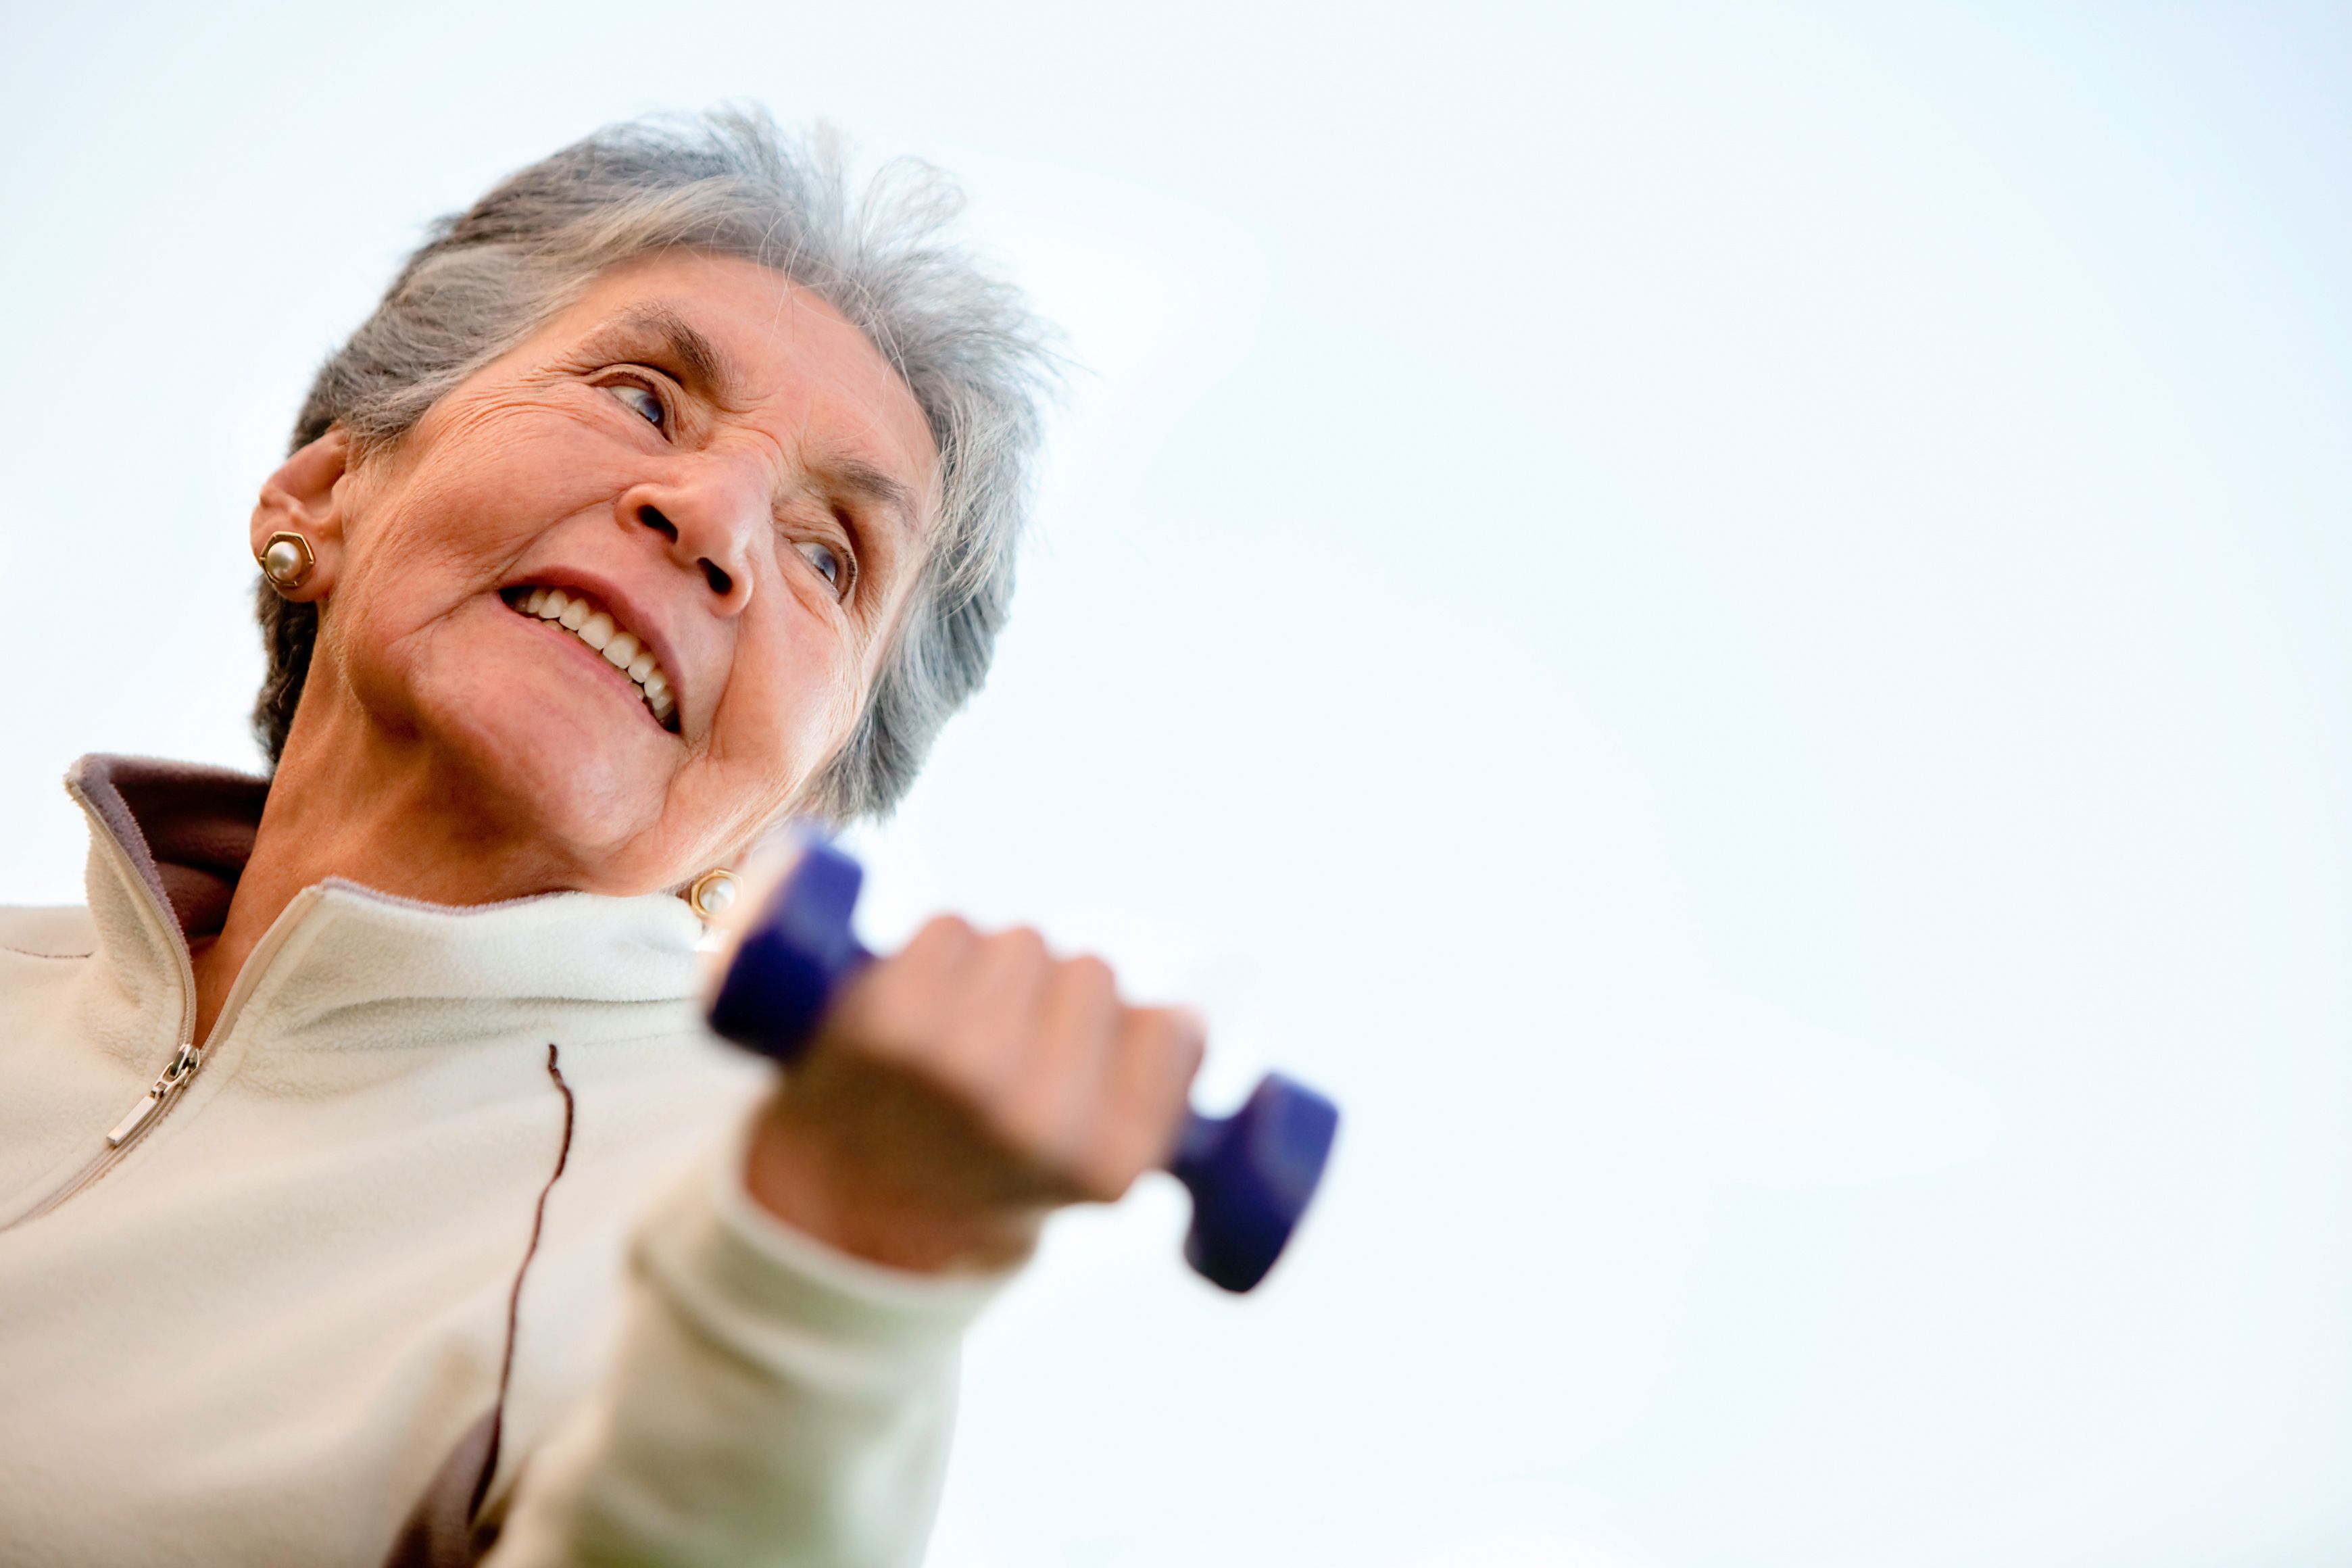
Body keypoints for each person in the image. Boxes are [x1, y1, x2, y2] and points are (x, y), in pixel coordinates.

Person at [0, 109, 1205, 1567]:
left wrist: (828, 1286)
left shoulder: (729, 1240)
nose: (715, 522)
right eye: (644, 399)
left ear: (794, 816)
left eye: (831, 554)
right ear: (324, 491)